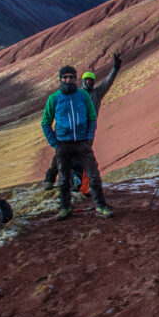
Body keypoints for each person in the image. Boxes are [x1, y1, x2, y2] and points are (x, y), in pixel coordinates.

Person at [41, 65, 113, 220]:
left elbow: (92, 117)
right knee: (64, 179)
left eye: (71, 77)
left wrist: (89, 139)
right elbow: (45, 122)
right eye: (65, 77)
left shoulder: (83, 96)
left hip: (82, 143)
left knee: (93, 175)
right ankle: (65, 208)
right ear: (60, 79)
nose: (68, 80)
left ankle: (101, 205)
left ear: (75, 79)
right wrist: (55, 143)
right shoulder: (54, 98)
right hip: (63, 144)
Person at [43, 53, 122, 190]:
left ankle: (81, 182)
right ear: (83, 81)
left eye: (91, 81)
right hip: (68, 132)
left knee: (83, 157)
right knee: (60, 155)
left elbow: (108, 81)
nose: (89, 83)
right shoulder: (76, 94)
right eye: (86, 80)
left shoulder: (97, 93)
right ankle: (51, 179)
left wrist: (115, 68)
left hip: (85, 131)